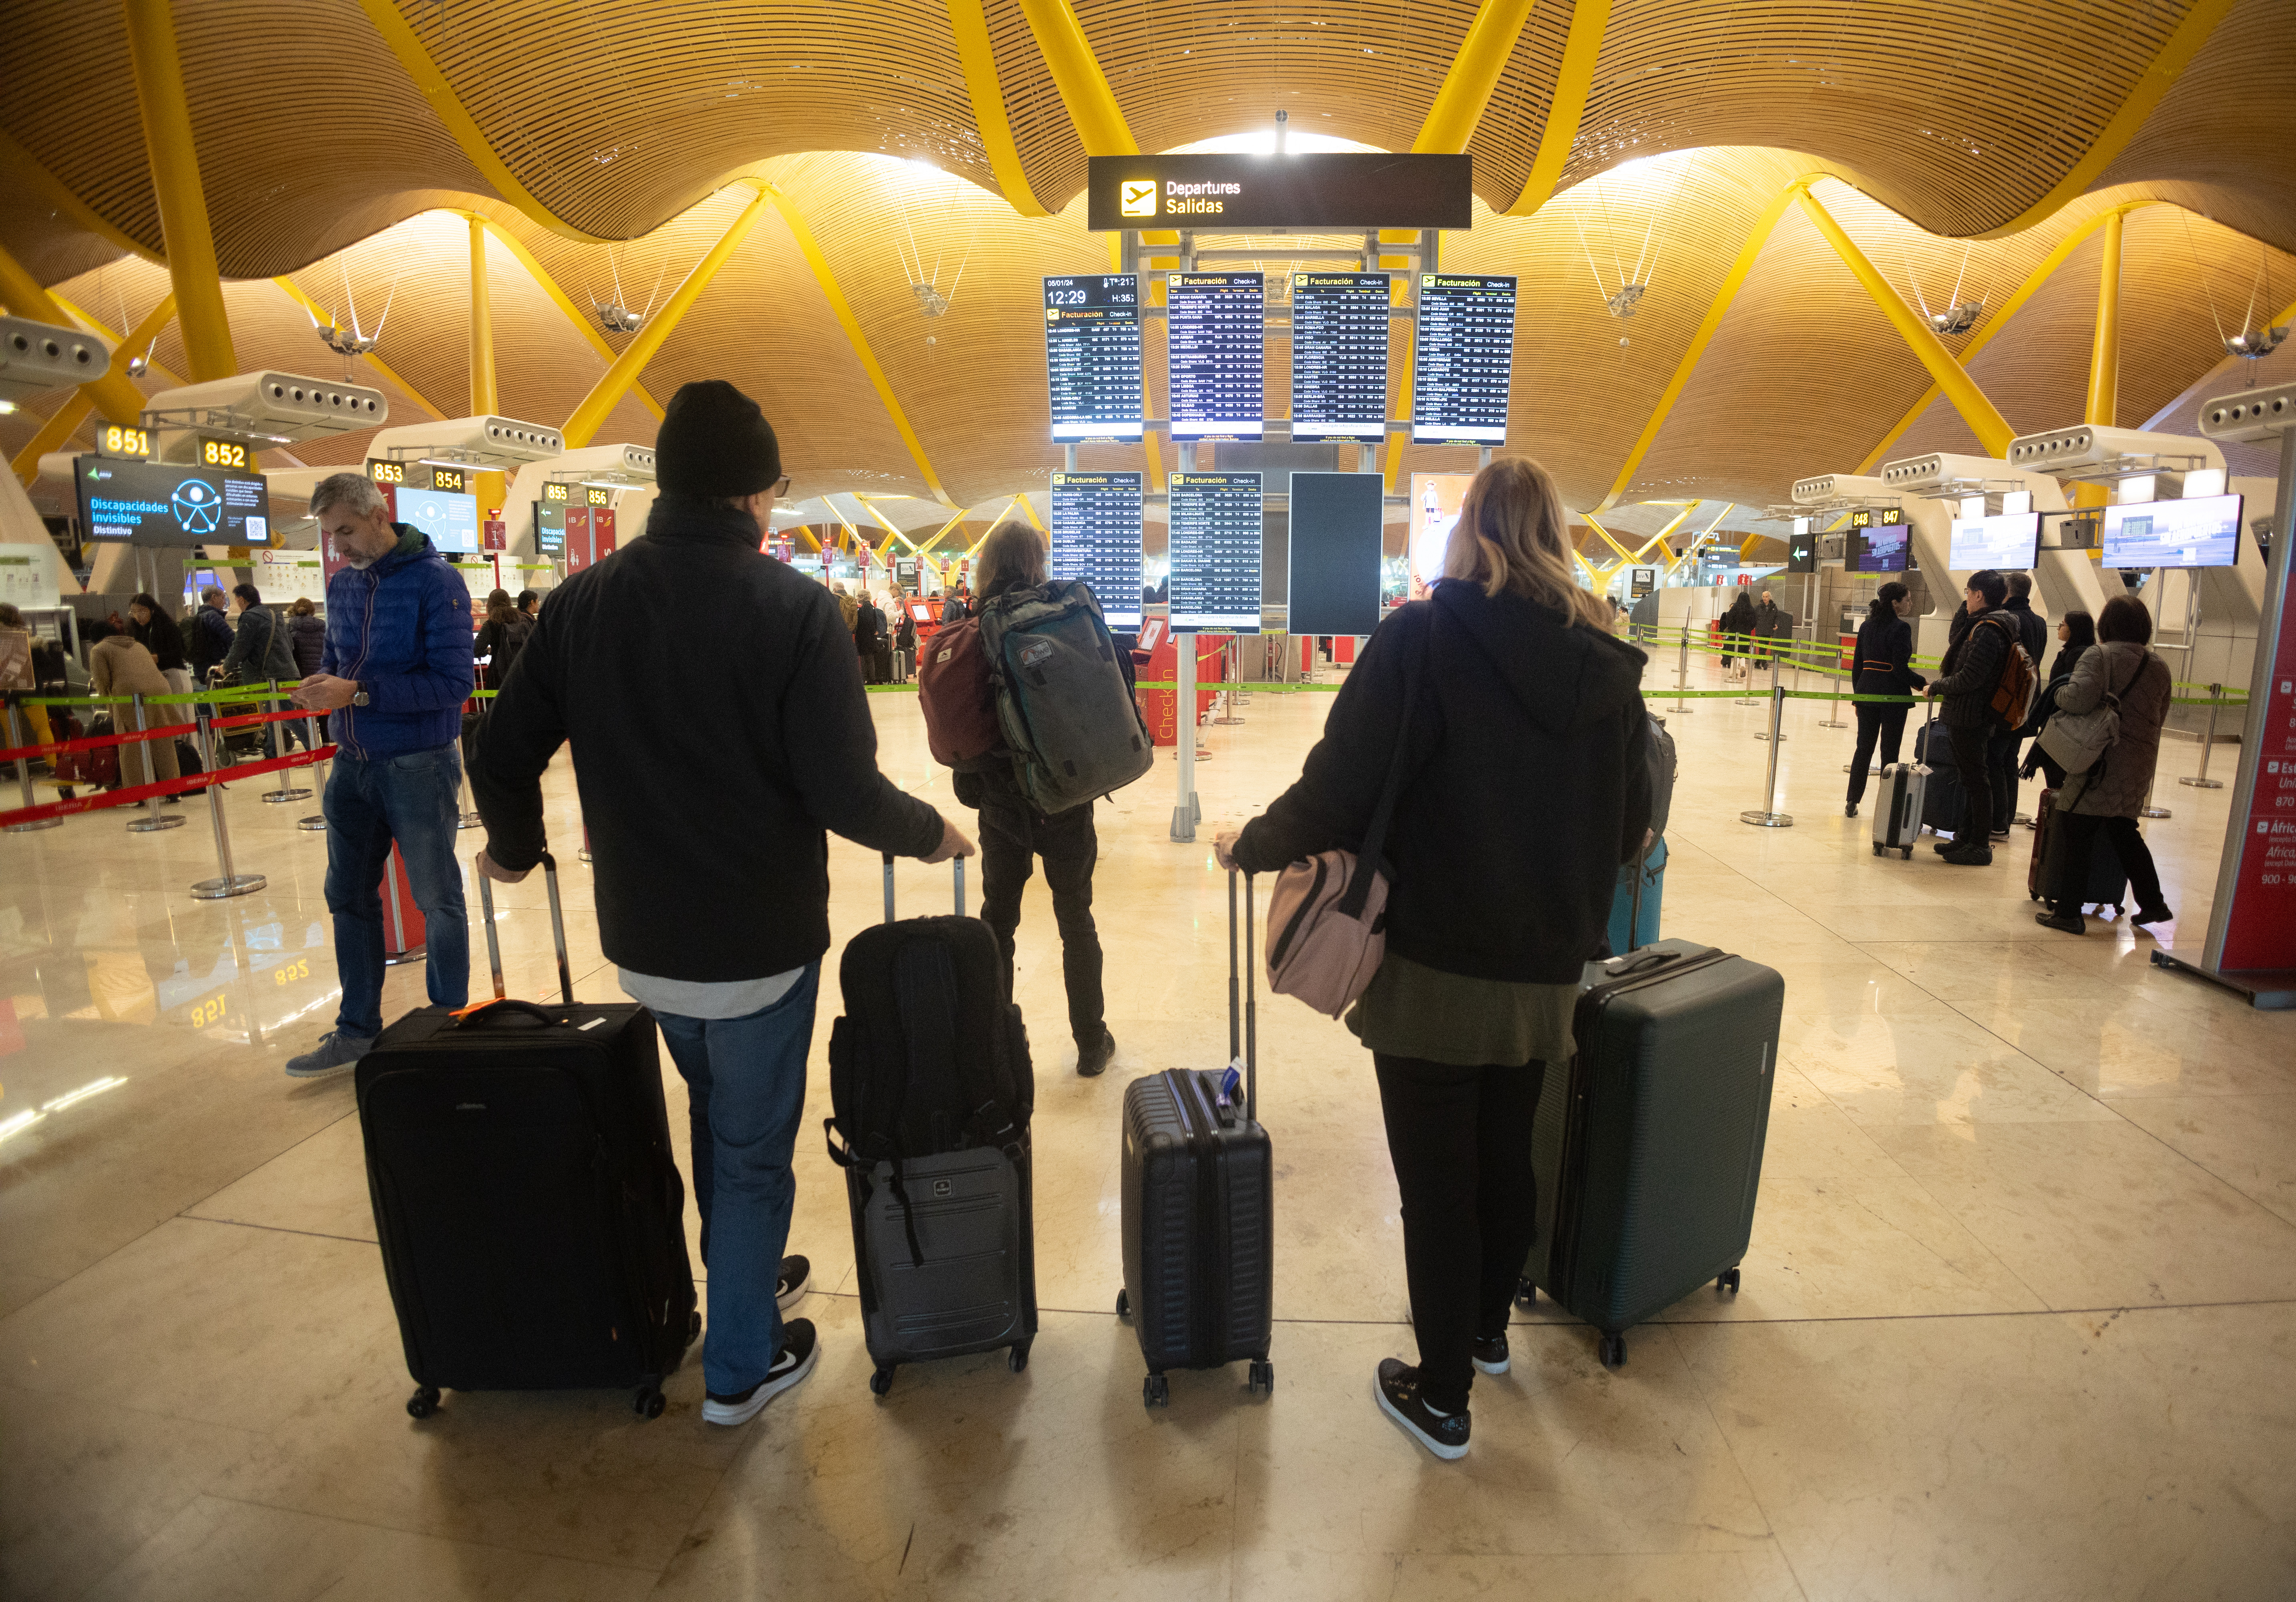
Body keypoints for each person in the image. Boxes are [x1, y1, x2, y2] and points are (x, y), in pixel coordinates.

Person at [469, 379, 972, 1430]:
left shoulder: (578, 604)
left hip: (644, 950)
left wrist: (515, 852)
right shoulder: (790, 610)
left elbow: (500, 749)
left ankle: (734, 1281)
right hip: (756, 948)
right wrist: (931, 833)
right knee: (749, 1158)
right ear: (753, 495)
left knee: (713, 1120)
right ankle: (740, 1366)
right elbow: (842, 791)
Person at [1217, 457, 1650, 1461]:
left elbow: (1340, 783)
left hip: (1435, 970)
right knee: (1506, 1157)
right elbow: (1631, 825)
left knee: (1437, 1187)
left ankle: (1443, 1392)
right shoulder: (1606, 665)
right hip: (1546, 976)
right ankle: (1490, 1330)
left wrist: (1256, 843)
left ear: (1469, 530)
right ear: (1559, 534)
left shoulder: (1424, 636)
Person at [283, 473, 474, 1079]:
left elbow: (453, 685)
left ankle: (447, 1025)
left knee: (437, 897)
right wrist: (323, 690)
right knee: (347, 896)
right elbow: (340, 662)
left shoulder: (438, 582)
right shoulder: (342, 586)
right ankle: (357, 1030)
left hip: (418, 762)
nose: (337, 546)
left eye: (344, 530)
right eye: (328, 534)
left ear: (377, 514)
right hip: (353, 764)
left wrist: (357, 694)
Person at [957, 521, 1123, 1079]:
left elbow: (965, 727)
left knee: (998, 922)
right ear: (1037, 562)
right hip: (1065, 795)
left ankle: (994, 1045)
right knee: (1075, 918)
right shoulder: (1061, 618)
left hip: (1003, 803)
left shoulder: (976, 626)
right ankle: (1091, 1043)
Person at [2035, 594, 2173, 936]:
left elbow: (2078, 699)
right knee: (2123, 830)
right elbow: (2160, 716)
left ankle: (2068, 912)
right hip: (2138, 762)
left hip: (2100, 759)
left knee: (2075, 827)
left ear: (2106, 625)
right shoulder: (2159, 666)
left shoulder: (2100, 655)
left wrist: (2058, 693)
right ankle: (2154, 903)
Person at [1924, 568, 2016, 864]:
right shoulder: (1985, 624)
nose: (1966, 599)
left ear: (1978, 594)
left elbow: (1970, 678)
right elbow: (1957, 642)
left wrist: (1936, 686)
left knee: (1977, 779)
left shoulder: (1989, 629)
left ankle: (1979, 844)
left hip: (1972, 715)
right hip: (1969, 713)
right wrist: (1964, 611)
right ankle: (1965, 837)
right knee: (1970, 777)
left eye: (1968, 593)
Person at [1844, 581, 1925, 817]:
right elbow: (1900, 668)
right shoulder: (1901, 628)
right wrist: (1923, 684)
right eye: (1907, 600)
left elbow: (1857, 666)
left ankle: (1852, 800)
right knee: (1890, 751)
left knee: (1864, 748)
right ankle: (1887, 805)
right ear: (1895, 603)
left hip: (1867, 692)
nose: (1910, 604)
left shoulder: (1867, 627)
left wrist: (1858, 697)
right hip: (1893, 695)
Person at [215, 583, 304, 756]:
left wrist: (227, 666)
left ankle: (312, 747)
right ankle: (272, 751)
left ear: (241, 600)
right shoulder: (274, 614)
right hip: (287, 670)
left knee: (285, 713)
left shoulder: (249, 617)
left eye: (236, 600)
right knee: (274, 713)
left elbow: (241, 646)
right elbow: (290, 643)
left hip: (270, 675)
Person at [88, 630, 181, 795]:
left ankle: (135, 794)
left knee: (130, 744)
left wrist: (110, 705)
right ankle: (173, 790)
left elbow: (102, 681)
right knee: (163, 740)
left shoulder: (99, 650)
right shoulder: (139, 645)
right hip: (160, 691)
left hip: (130, 695)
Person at [1990, 573, 2048, 830]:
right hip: (2029, 700)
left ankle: (1998, 819)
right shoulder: (2040, 623)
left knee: (1994, 759)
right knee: (2010, 759)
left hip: (2007, 701)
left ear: (2007, 592)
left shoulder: (2007, 620)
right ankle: (2007, 817)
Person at [2021, 609, 2095, 791]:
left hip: (2063, 725)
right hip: (2057, 720)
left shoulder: (2078, 655)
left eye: (2063, 625)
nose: (2059, 628)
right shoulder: (2072, 652)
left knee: (2056, 773)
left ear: (2074, 630)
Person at [128, 593, 191, 697]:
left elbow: (179, 653)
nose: (138, 616)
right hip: (154, 679)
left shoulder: (168, 627)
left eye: (142, 611)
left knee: (180, 712)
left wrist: (158, 658)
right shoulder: (136, 630)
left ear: (152, 610)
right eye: (134, 612)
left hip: (174, 676)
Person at [473, 588, 532, 693]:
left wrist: (487, 651)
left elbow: (475, 650)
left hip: (498, 676)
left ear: (490, 605)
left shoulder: (491, 625)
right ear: (509, 602)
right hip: (522, 674)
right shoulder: (523, 621)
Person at [187, 586, 233, 680]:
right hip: (216, 668)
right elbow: (232, 639)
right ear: (214, 597)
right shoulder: (213, 616)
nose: (224, 602)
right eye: (223, 598)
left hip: (200, 669)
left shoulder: (198, 617)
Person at [851, 588, 888, 683]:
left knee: (867, 660)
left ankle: (870, 679)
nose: (858, 598)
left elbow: (868, 621)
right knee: (868, 659)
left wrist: (873, 631)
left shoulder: (866, 608)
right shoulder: (869, 607)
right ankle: (869, 679)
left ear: (863, 597)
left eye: (859, 596)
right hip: (869, 638)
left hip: (866, 638)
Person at [1718, 589, 1755, 678]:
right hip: (1746, 634)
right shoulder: (1751, 610)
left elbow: (1729, 620)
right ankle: (1743, 666)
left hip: (1735, 634)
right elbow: (1754, 622)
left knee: (1734, 653)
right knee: (1742, 652)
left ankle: (1733, 672)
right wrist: (1748, 629)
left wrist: (1732, 627)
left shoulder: (1735, 608)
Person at [287, 596, 327, 677]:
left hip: (300, 673)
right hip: (320, 672)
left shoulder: (289, 628)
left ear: (295, 610)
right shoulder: (322, 626)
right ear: (313, 611)